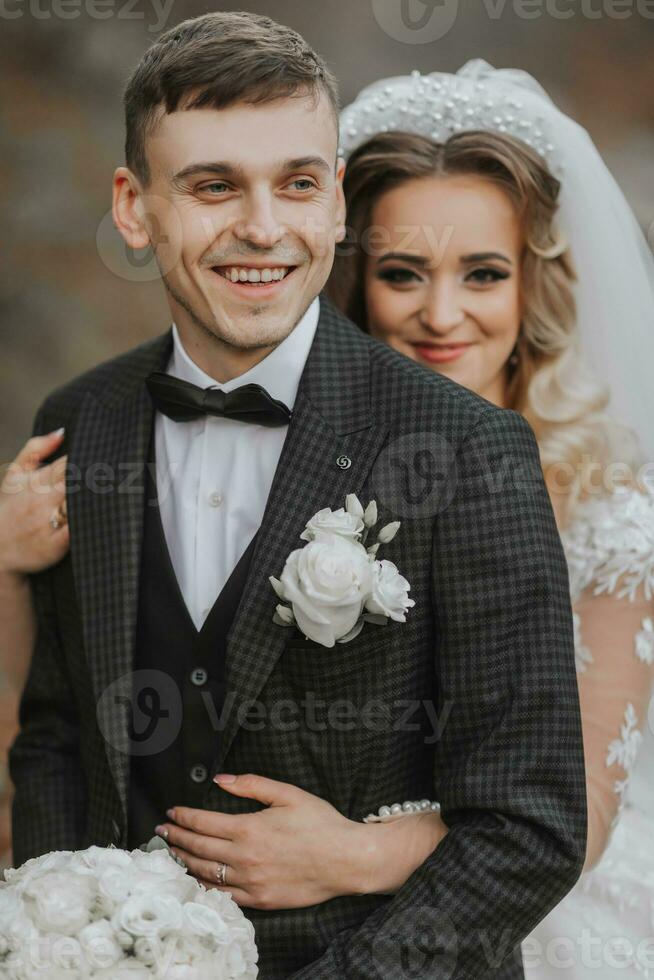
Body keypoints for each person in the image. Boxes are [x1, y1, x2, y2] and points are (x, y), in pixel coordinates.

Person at [8, 17, 585, 980]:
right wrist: (62, 943)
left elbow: (530, 829)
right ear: (134, 207)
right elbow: (60, 740)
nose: (264, 227)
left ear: (337, 207)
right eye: (213, 186)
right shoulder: (83, 421)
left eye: (299, 184)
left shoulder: (468, 447)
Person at [325, 61, 654, 978]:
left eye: (483, 273)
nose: (441, 316)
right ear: (353, 283)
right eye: (402, 272)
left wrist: (352, 853)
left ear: (533, 284)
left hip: (543, 915)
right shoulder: (311, 461)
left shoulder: (610, 514)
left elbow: (576, 818)